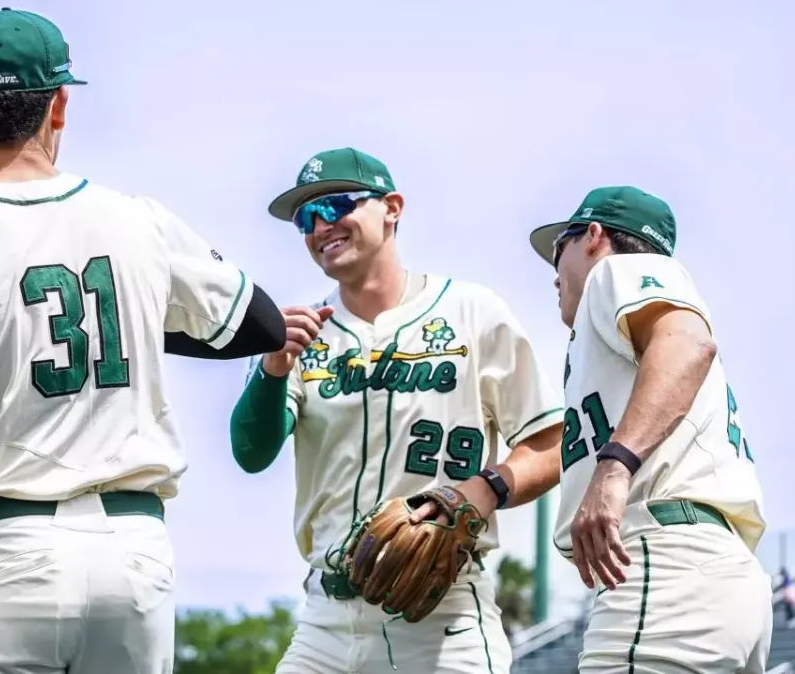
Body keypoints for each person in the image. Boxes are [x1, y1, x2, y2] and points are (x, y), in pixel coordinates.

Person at [0, 8, 284, 673]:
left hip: (4, 553)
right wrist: (135, 314)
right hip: (133, 552)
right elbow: (262, 324)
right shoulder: (139, 221)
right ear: (59, 105)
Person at [230, 147, 565, 673]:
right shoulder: (299, 335)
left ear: (392, 207)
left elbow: (550, 445)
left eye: (336, 204)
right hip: (325, 620)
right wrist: (272, 370)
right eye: (305, 217)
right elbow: (251, 453)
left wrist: (485, 490)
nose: (321, 225)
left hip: (442, 617)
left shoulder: (472, 312)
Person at [529, 186, 772, 672]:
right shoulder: (622, 343)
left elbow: (690, 344)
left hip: (665, 567)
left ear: (594, 235)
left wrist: (615, 466)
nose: (553, 272)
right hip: (714, 573)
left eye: (560, 249)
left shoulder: (614, 273)